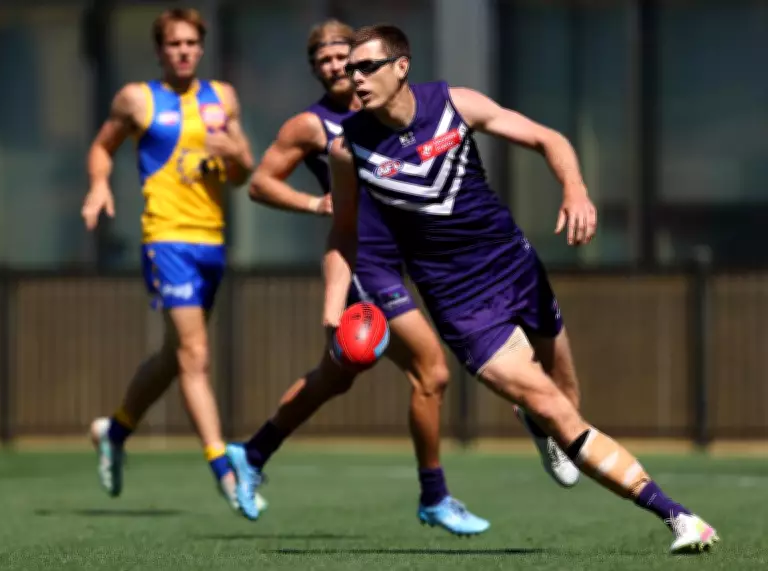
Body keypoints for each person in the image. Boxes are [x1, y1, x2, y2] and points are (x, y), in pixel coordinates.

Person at [236, 24, 720, 554]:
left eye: (365, 66)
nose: (354, 77)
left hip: (516, 268)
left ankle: (540, 429)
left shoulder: (453, 104)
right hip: (460, 304)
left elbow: (547, 138)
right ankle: (680, 518)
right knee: (555, 409)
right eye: (349, 69)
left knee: (566, 399)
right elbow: (345, 232)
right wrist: (333, 306)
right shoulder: (348, 148)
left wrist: (575, 189)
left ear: (402, 66)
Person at [237, 19, 494, 535]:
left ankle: (253, 452)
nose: (336, 67)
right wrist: (317, 203)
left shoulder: (391, 110)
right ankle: (434, 496)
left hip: (415, 257)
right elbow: (260, 185)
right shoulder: (313, 127)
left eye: (343, 57)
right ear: (314, 69)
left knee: (335, 377)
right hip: (368, 264)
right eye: (324, 61)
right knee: (433, 372)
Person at [81, 7, 264, 514]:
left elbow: (242, 174)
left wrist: (238, 154)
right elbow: (102, 147)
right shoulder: (138, 99)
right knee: (196, 355)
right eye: (174, 44)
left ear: (201, 49)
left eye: (191, 44)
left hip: (212, 242)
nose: (183, 51)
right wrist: (99, 184)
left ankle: (113, 432)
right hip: (165, 239)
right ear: (160, 50)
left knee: (174, 358)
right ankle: (226, 473)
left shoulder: (222, 97)